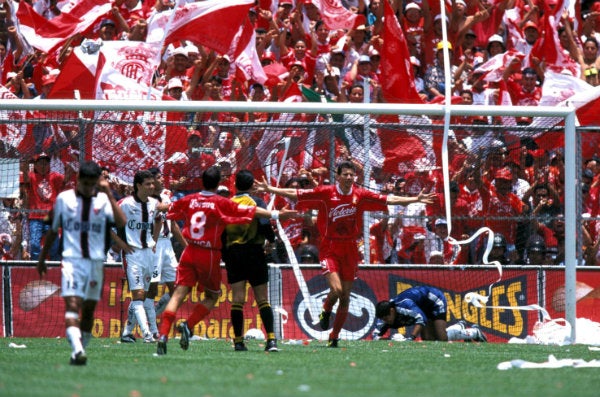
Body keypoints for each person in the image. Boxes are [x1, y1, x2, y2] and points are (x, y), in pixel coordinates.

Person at [256, 160, 436, 347]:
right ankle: (325, 310)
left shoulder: (360, 195)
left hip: (350, 249)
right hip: (330, 247)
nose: (349, 178)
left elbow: (388, 199)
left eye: (352, 175)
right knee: (337, 290)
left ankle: (334, 336)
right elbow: (297, 193)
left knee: (345, 297)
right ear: (338, 176)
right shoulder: (327, 193)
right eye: (345, 175)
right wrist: (271, 189)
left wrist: (415, 199)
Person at [156, 166, 295, 355]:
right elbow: (253, 212)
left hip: (192, 252)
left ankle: (163, 335)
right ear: (218, 183)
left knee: (179, 295)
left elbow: (165, 208)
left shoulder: (189, 199)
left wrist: (157, 204)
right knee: (217, 296)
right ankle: (189, 326)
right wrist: (276, 215)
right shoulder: (222, 203)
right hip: (216, 253)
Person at [37, 161, 126, 365]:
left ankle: (79, 350)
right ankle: (77, 350)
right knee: (72, 304)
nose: (88, 188)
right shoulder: (64, 199)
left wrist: (109, 194)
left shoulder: (103, 200)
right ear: (78, 181)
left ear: (97, 183)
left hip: (95, 263)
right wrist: (42, 258)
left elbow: (121, 223)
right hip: (71, 261)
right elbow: (52, 231)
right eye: (84, 183)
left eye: (92, 184)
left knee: (88, 312)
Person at [222, 170, 279, 352]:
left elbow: (222, 233)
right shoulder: (257, 203)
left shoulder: (227, 204)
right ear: (252, 185)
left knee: (237, 299)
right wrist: (271, 241)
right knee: (262, 298)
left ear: (235, 185)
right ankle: (271, 340)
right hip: (254, 252)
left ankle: (238, 341)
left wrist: (226, 255)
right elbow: (264, 224)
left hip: (234, 254)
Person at [118, 170, 163, 344]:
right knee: (137, 294)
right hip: (132, 254)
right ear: (138, 186)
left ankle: (127, 332)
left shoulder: (153, 203)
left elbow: (159, 220)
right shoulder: (125, 204)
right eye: (148, 184)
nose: (152, 186)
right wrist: (120, 245)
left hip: (148, 253)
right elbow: (109, 223)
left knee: (142, 296)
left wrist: (154, 242)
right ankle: (147, 334)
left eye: (153, 183)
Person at [373, 285, 487, 342]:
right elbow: (376, 335)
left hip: (435, 300)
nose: (386, 321)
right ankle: (458, 327)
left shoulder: (404, 306)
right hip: (421, 306)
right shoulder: (385, 313)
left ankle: (474, 332)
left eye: (387, 318)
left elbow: (421, 318)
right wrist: (384, 339)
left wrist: (411, 338)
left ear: (392, 311)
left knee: (442, 339)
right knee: (428, 339)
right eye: (383, 319)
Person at [21, 152, 65, 261]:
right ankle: (35, 265)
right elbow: (25, 177)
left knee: (54, 246)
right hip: (35, 217)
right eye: (40, 163)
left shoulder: (55, 176)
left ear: (49, 165)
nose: (43, 165)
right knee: (35, 244)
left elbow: (66, 180)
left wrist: (71, 167)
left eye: (46, 163)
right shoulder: (32, 176)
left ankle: (55, 267)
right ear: (35, 165)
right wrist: (25, 163)